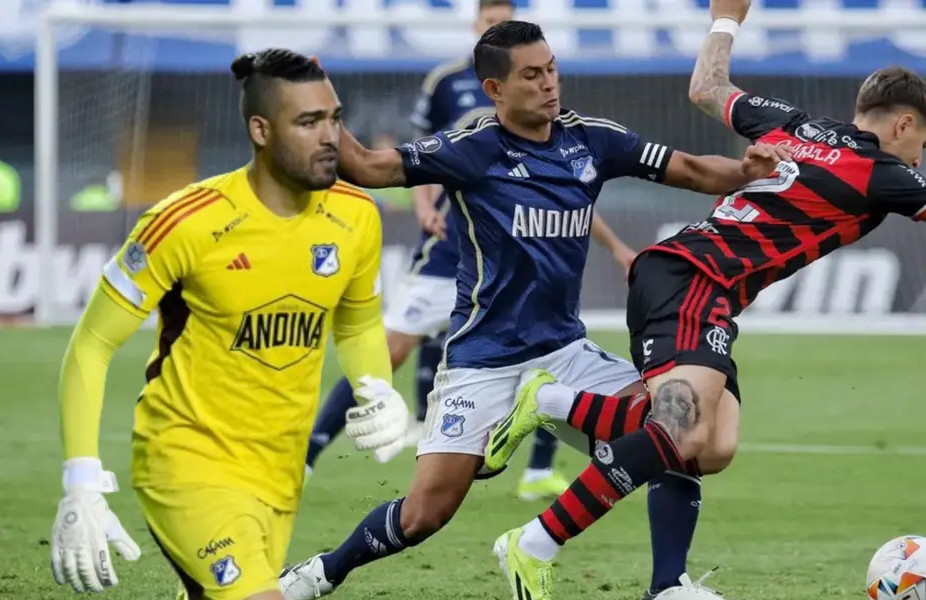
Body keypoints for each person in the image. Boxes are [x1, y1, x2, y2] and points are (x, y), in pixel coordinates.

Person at [481, 1, 926, 598]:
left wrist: (726, 20)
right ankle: (536, 540)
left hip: (695, 283)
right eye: (923, 144)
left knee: (711, 447)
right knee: (681, 428)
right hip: (695, 278)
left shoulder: (793, 124)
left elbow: (706, 87)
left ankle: (664, 579)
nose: (919, 160)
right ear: (901, 125)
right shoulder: (881, 171)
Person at [278, 19, 791, 600]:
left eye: (552, 69)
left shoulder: (591, 139)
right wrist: (324, 104)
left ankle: (667, 586)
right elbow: (367, 167)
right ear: (495, 90)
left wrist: (746, 172)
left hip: (565, 354)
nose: (549, 84)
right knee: (425, 514)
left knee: (678, 432)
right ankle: (318, 575)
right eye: (531, 75)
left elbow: (695, 171)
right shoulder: (471, 150)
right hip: (483, 360)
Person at [48, 49, 408, 600]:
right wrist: (80, 481)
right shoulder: (186, 222)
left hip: (279, 470)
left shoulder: (356, 215)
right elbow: (92, 344)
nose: (330, 136)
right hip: (185, 459)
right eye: (308, 122)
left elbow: (358, 325)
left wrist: (376, 385)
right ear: (260, 130)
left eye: (334, 117)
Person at [303, 0, 639, 504]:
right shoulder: (448, 85)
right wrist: (423, 208)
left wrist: (615, 246)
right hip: (449, 254)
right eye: (491, 23)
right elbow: (408, 157)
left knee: (548, 346)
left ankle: (535, 471)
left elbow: (565, 192)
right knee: (390, 353)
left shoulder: (553, 121)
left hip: (519, 258)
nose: (544, 80)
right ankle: (308, 454)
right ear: (479, 32)